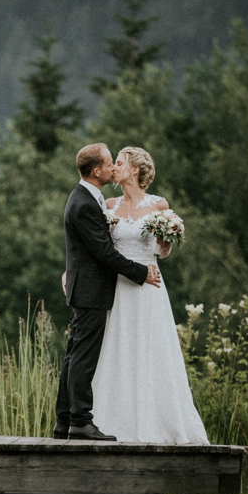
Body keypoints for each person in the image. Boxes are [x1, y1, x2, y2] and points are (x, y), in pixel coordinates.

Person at [91, 147, 208, 444]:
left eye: (120, 162)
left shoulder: (158, 205)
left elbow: (162, 252)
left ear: (135, 171)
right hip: (118, 286)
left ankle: (157, 423)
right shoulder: (110, 204)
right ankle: (110, 422)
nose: (114, 167)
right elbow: (99, 248)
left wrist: (165, 239)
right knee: (117, 348)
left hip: (149, 286)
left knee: (151, 350)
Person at [54, 143, 161, 442]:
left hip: (86, 287)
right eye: (109, 163)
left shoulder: (88, 198)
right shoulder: (86, 203)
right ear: (97, 170)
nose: (114, 168)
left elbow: (85, 247)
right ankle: (80, 421)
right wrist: (141, 272)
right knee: (83, 358)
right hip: (90, 290)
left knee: (74, 355)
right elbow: (103, 251)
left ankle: (64, 420)